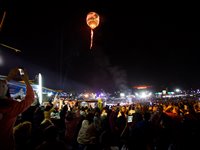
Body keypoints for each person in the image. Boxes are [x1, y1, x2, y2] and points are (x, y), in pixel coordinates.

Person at [0, 67, 35, 150]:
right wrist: (26, 80)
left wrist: (9, 77)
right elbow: (30, 99)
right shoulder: (11, 108)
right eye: (4, 86)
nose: (5, 84)